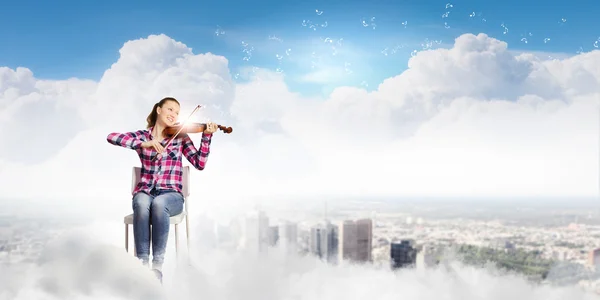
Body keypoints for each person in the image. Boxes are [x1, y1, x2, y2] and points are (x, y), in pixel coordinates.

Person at [106, 97, 217, 283]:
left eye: (177, 112)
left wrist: (207, 136)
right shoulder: (142, 136)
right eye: (170, 109)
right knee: (141, 201)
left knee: (159, 203)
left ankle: (157, 267)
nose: (173, 115)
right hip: (146, 191)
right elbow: (112, 137)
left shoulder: (180, 137)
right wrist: (143, 144)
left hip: (171, 195)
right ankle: (141, 265)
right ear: (158, 109)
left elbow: (200, 163)